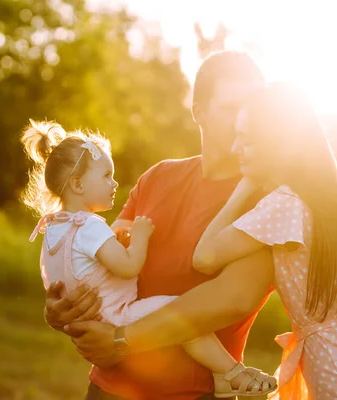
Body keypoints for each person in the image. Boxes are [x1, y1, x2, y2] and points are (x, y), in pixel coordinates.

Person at [41, 50, 275, 400]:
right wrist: (62, 309)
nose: (246, 120)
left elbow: (231, 301)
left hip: (194, 394)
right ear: (199, 112)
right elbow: (101, 265)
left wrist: (121, 341)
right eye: (232, 108)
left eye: (253, 109)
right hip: (109, 389)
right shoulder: (158, 177)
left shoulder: (265, 199)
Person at [192, 83, 337, 400]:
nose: (235, 149)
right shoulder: (336, 188)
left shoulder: (286, 203)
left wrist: (243, 188)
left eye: (246, 139)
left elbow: (204, 257)